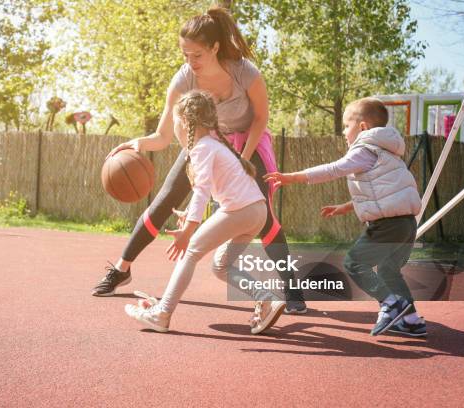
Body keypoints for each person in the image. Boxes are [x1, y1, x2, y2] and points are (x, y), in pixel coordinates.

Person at [92, 5, 306, 314]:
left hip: (248, 141)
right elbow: (163, 136)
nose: (190, 63)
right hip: (205, 140)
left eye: (197, 56)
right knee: (164, 200)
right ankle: (122, 269)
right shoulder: (183, 80)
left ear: (215, 48)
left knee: (263, 215)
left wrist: (243, 162)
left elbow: (260, 119)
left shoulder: (245, 72)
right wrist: (135, 144)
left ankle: (291, 288)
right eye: (185, 56)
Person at [125, 90, 285, 333]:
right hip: (257, 212)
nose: (175, 127)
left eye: (176, 122)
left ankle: (162, 313)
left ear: (186, 122)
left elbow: (201, 190)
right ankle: (266, 298)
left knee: (190, 252)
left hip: (240, 211)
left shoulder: (201, 148)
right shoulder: (215, 145)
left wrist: (189, 229)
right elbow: (211, 188)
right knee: (220, 266)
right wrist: (189, 212)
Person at [264, 97, 427, 337]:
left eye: (345, 126)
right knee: (389, 270)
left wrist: (292, 177)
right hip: (405, 224)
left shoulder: (365, 147)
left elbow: (334, 169)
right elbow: (383, 193)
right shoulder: (389, 153)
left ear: (362, 127)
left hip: (387, 226)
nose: (343, 132)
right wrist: (346, 207)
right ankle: (411, 320)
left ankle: (391, 303)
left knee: (354, 263)